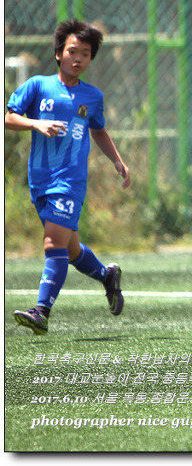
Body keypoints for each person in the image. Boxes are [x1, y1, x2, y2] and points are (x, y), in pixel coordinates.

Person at [7, 19, 131, 335]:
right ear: (58, 53)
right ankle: (107, 276)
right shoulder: (38, 85)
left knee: (53, 243)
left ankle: (41, 311)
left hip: (69, 182)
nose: (78, 59)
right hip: (40, 181)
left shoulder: (92, 96)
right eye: (73, 51)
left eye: (86, 54)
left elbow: (98, 130)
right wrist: (36, 123)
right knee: (71, 249)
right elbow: (9, 117)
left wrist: (117, 160)